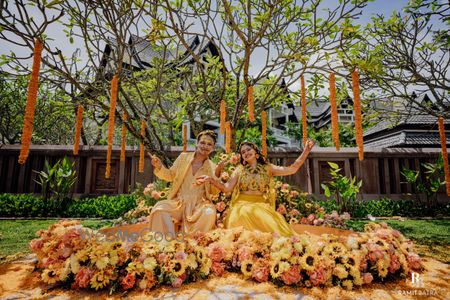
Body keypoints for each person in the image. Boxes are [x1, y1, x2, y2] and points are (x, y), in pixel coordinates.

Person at [196, 139, 315, 237]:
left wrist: (306, 151)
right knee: (240, 216)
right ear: (242, 157)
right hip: (241, 205)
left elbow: (292, 169)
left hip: (261, 205)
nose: (246, 153)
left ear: (256, 152)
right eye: (243, 152)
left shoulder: (268, 168)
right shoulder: (239, 169)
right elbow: (227, 188)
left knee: (273, 227)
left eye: (249, 150)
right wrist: (211, 180)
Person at [147, 130, 222, 237]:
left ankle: (193, 244)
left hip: (199, 205)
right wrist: (159, 166)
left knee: (209, 213)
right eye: (202, 143)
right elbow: (170, 175)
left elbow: (214, 192)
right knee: (159, 209)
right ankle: (166, 244)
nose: (205, 146)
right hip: (178, 203)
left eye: (209, 144)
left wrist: (218, 174)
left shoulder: (213, 166)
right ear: (197, 143)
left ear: (213, 148)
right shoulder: (183, 158)